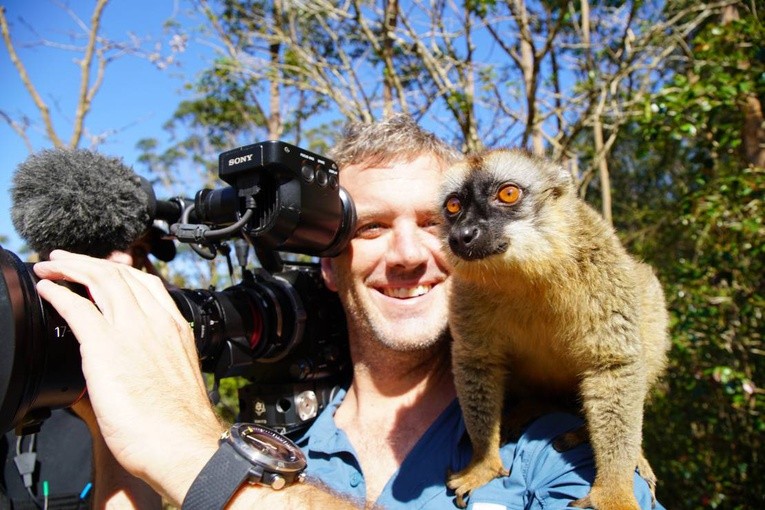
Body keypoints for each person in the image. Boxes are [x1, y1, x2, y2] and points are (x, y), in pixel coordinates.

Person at [30, 115, 662, 509]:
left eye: (428, 222)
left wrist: (200, 460)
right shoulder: (283, 445)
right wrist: (114, 427)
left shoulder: (548, 454)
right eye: (374, 228)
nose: (412, 253)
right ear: (327, 261)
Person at [1, 225, 175, 510]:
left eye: (139, 250)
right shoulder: (11, 390)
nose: (126, 259)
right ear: (50, 257)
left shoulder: (158, 394)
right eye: (104, 241)